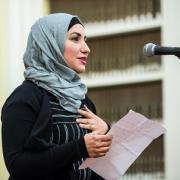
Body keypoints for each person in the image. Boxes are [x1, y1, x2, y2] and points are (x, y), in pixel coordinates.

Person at [1, 13, 112, 180]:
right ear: (50, 44)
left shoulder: (81, 98)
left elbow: (95, 164)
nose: (86, 48)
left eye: (85, 39)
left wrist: (106, 132)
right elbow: (17, 164)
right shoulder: (24, 98)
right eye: (75, 39)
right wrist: (80, 148)